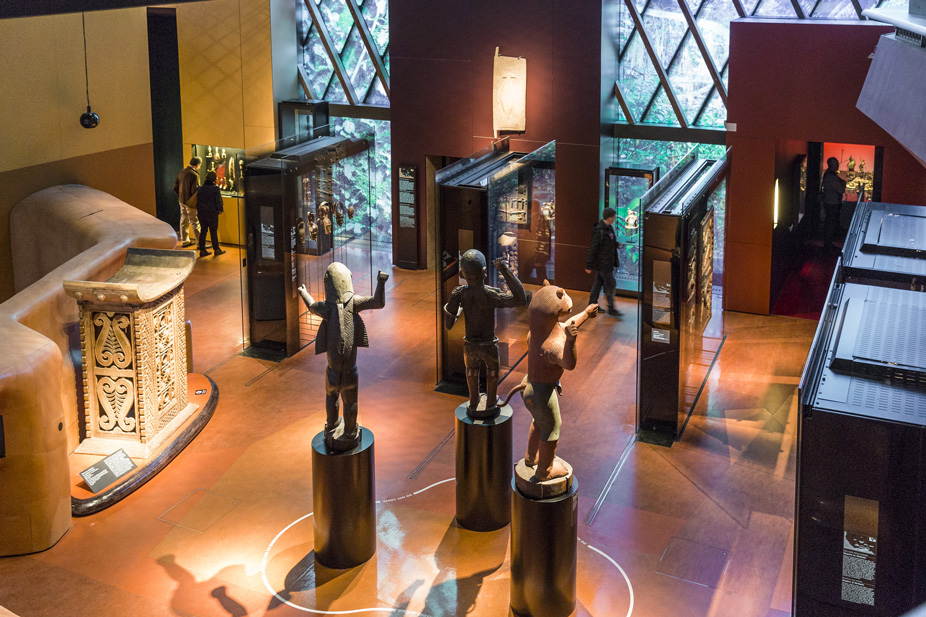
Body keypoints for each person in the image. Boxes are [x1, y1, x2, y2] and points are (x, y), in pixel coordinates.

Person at [444, 250, 527, 415]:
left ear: (461, 273)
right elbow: (520, 298)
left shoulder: (459, 293)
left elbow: (448, 324)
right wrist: (503, 269)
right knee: (493, 372)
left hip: (470, 345)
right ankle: (490, 403)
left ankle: (473, 401)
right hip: (489, 345)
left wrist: (457, 310)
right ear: (484, 272)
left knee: (471, 372)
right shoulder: (489, 294)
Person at [585, 207, 623, 317]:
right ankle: (611, 308)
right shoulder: (600, 231)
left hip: (607, 263)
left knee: (598, 282)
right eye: (614, 217)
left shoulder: (609, 228)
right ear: (610, 218)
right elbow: (593, 248)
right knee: (611, 283)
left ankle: (592, 304)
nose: (615, 219)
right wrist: (588, 265)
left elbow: (610, 243)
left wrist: (617, 245)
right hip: (603, 264)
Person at [172, 156, 202, 248]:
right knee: (195, 222)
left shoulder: (182, 172)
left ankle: (185, 241)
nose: (199, 167)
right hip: (190, 203)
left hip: (181, 201)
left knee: (183, 221)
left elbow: (175, 187)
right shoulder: (195, 175)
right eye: (199, 166)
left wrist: (181, 197)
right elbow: (195, 191)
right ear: (197, 165)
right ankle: (200, 243)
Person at [195, 171, 225, 257]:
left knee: (203, 231)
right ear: (214, 179)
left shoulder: (200, 188)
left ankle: (202, 250)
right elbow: (218, 201)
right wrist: (220, 209)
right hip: (212, 213)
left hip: (201, 213)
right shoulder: (215, 188)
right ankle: (216, 249)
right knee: (213, 231)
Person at [822, 157, 847, 254]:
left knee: (830, 223)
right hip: (832, 203)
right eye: (836, 164)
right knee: (830, 224)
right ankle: (827, 245)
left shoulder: (828, 174)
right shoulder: (831, 177)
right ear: (832, 165)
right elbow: (841, 189)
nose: (838, 165)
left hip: (829, 202)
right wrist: (843, 184)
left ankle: (828, 243)